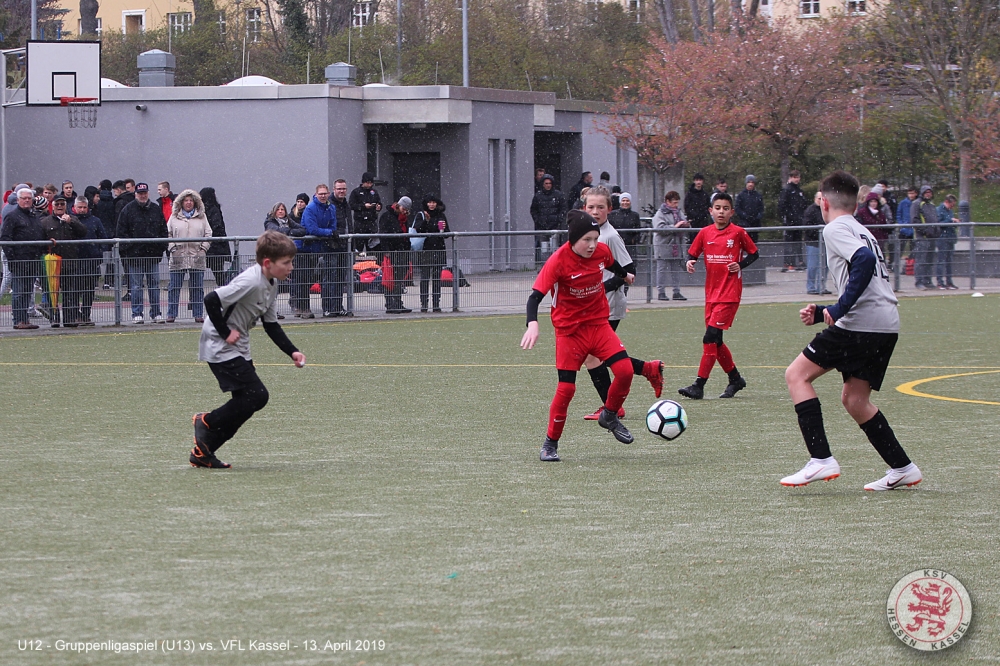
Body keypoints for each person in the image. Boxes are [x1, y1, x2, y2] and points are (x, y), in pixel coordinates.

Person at [781, 170, 922, 491]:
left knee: (796, 375)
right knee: (855, 400)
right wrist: (824, 311)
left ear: (823, 202)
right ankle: (903, 467)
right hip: (886, 323)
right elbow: (865, 278)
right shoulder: (861, 229)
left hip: (861, 324)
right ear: (856, 204)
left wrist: (838, 309)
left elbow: (864, 262)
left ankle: (821, 459)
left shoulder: (835, 228)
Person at [520, 210, 638, 462]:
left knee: (625, 371)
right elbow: (534, 298)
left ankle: (609, 414)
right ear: (573, 239)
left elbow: (612, 264)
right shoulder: (558, 261)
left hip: (598, 325)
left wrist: (624, 275)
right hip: (570, 332)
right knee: (566, 388)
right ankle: (550, 444)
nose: (593, 244)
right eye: (587, 239)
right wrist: (532, 323)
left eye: (595, 238)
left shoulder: (601, 251)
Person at [191, 230, 306, 469]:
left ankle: (203, 452)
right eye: (286, 263)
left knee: (247, 403)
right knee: (257, 395)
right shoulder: (250, 281)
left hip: (238, 345)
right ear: (268, 263)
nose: (291, 267)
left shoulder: (272, 283)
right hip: (219, 343)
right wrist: (225, 332)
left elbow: (271, 325)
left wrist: (292, 351)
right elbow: (211, 299)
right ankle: (206, 420)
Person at [581, 186, 664, 421]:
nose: (595, 211)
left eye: (600, 207)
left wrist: (600, 289)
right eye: (591, 207)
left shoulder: (610, 236)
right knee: (599, 355)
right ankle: (647, 370)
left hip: (609, 306)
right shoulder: (587, 234)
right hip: (593, 307)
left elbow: (628, 271)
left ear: (610, 209)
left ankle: (613, 407)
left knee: (593, 355)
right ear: (584, 208)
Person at [678, 192, 759, 400]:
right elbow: (692, 253)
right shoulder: (705, 233)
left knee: (709, 337)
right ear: (711, 211)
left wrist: (740, 264)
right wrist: (689, 261)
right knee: (717, 341)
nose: (721, 212)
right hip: (711, 294)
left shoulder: (738, 233)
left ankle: (699, 385)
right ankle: (735, 379)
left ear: (732, 212)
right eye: (717, 208)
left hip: (730, 294)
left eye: (725, 208)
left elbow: (754, 253)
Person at [117, 182, 168, 324]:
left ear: (148, 193)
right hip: (135, 257)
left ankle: (156, 313)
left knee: (154, 285)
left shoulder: (155, 209)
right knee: (136, 286)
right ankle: (137, 313)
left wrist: (159, 249)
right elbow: (121, 232)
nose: (143, 195)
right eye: (140, 193)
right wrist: (130, 250)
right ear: (136, 194)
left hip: (152, 256)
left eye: (144, 193)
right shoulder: (127, 210)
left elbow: (163, 231)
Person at [39, 195, 87, 327]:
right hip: (52, 263)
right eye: (57, 204)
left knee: (70, 292)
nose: (60, 206)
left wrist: (71, 222)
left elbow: (83, 232)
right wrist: (48, 243)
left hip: (70, 261)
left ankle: (69, 319)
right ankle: (54, 318)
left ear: (66, 206)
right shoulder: (45, 222)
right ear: (52, 205)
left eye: (62, 204)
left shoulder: (73, 219)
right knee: (52, 292)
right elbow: (39, 241)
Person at [166, 189, 212, 323]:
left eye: (191, 200)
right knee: (174, 287)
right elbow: (167, 234)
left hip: (197, 256)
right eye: (186, 200)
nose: (188, 203)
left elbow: (208, 234)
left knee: (197, 287)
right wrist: (173, 249)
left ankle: (198, 314)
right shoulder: (174, 217)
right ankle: (171, 314)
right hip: (178, 257)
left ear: (195, 202)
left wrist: (203, 249)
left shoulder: (202, 217)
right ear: (181, 202)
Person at [300, 183, 346, 318]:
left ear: (328, 194)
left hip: (326, 246)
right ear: (316, 194)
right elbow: (312, 229)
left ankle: (336, 307)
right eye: (320, 194)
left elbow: (333, 225)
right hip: (310, 248)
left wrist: (329, 233)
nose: (323, 196)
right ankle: (324, 308)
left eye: (325, 193)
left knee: (334, 277)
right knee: (317, 279)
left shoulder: (331, 207)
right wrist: (329, 233)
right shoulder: (310, 209)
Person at [1, 188, 44, 329]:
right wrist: (12, 258)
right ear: (18, 200)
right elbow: (5, 238)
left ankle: (25, 319)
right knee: (18, 292)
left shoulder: (34, 216)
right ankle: (18, 320)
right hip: (19, 259)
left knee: (27, 291)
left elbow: (39, 234)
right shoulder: (12, 216)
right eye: (24, 198)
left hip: (32, 259)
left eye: (29, 198)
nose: (27, 200)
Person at [264, 201, 306, 316]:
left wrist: (289, 231)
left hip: (285, 255)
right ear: (274, 211)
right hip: (273, 256)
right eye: (278, 209)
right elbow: (275, 230)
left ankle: (291, 306)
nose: (280, 211)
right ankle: (270, 310)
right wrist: (289, 231)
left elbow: (302, 230)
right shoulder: (269, 221)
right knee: (272, 284)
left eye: (282, 209)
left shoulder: (289, 221)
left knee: (287, 281)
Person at [72, 195, 109, 326]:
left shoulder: (95, 221)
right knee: (75, 290)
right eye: (80, 207)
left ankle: (86, 315)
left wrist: (98, 252)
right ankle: (75, 315)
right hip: (75, 261)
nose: (82, 210)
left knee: (89, 291)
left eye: (84, 207)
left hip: (91, 260)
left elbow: (104, 238)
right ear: (75, 207)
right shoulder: (70, 220)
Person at [413, 193, 450, 313]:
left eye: (434, 202)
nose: (432, 205)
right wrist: (426, 221)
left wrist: (443, 229)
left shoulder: (441, 215)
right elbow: (418, 230)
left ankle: (436, 304)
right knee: (424, 278)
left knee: (436, 279)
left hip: (438, 249)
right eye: (429, 202)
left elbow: (447, 234)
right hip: (425, 250)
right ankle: (424, 304)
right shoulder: (421, 215)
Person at [376, 196, 413, 314]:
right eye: (404, 208)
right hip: (391, 252)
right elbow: (382, 235)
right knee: (390, 278)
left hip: (402, 252)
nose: (405, 211)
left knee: (398, 279)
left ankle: (397, 302)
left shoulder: (403, 219)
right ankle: (390, 304)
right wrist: (386, 251)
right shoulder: (386, 216)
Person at [651, 191, 689, 301]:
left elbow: (683, 222)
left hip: (676, 246)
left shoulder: (679, 212)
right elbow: (659, 228)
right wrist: (675, 226)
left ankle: (676, 292)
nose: (676, 205)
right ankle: (661, 292)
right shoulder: (660, 214)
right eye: (674, 203)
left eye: (677, 203)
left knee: (676, 270)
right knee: (661, 270)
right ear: (667, 202)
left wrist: (686, 225)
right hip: (663, 245)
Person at [529, 174, 567, 265]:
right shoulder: (538, 196)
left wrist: (559, 219)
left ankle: (554, 266)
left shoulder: (558, 195)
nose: (548, 185)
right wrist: (538, 221)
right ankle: (545, 266)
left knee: (554, 248)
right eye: (546, 183)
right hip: (542, 227)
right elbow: (533, 210)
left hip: (555, 226)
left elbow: (563, 208)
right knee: (544, 249)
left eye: (550, 183)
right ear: (543, 184)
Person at [200, 187, 234, 288]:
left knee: (214, 273)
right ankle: (225, 292)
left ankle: (224, 291)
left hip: (213, 248)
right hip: (216, 248)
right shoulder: (214, 209)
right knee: (218, 273)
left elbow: (216, 227)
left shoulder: (209, 210)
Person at [329, 179, 353, 315]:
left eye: (343, 189)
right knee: (332, 277)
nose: (341, 191)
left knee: (340, 278)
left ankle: (338, 306)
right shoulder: (330, 204)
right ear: (334, 189)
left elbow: (349, 224)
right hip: (333, 245)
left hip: (344, 245)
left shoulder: (346, 204)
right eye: (339, 189)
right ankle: (331, 307)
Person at [287, 193, 313, 317]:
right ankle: (295, 302)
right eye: (298, 201)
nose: (299, 204)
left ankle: (299, 303)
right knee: (296, 277)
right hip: (296, 250)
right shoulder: (292, 216)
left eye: (302, 202)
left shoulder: (307, 214)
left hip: (305, 249)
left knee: (305, 278)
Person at [778, 170, 808, 272]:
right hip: (789, 222)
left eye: (798, 177)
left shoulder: (799, 191)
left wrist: (801, 217)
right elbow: (782, 206)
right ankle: (788, 263)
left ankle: (799, 262)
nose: (796, 179)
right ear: (790, 178)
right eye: (794, 177)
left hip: (798, 222)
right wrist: (790, 216)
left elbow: (803, 205)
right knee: (789, 242)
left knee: (798, 242)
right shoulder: (786, 190)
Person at [912, 185, 940, 290]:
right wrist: (925, 231)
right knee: (921, 260)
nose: (928, 194)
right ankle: (919, 282)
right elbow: (915, 220)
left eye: (930, 192)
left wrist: (937, 231)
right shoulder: (917, 204)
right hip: (922, 237)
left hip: (932, 237)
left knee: (929, 260)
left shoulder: (931, 205)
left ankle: (927, 281)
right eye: (926, 192)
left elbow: (935, 219)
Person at [803, 191, 831, 296]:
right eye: (819, 199)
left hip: (825, 242)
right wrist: (818, 233)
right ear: (815, 199)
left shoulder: (827, 210)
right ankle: (811, 287)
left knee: (825, 266)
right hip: (813, 242)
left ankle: (821, 286)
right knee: (813, 266)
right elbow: (807, 226)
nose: (821, 201)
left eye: (823, 199)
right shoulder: (810, 210)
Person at [348, 173, 382, 253]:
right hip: (359, 223)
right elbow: (351, 205)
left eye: (371, 183)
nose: (369, 185)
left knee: (372, 248)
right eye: (367, 183)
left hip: (371, 223)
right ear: (363, 182)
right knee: (358, 248)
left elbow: (379, 202)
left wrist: (378, 207)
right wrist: (363, 206)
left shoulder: (374, 192)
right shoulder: (356, 192)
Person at [935, 194, 959, 290]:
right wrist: (950, 220)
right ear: (947, 202)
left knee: (949, 261)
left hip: (950, 238)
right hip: (942, 238)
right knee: (941, 261)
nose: (952, 207)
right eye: (952, 204)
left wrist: (955, 223)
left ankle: (949, 282)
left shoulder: (950, 211)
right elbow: (938, 223)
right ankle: (940, 282)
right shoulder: (939, 210)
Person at [734, 175, 764, 243]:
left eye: (752, 182)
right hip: (744, 224)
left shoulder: (758, 195)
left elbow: (761, 208)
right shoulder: (741, 195)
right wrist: (745, 216)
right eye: (749, 182)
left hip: (755, 224)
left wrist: (757, 217)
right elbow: (737, 208)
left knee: (754, 243)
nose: (750, 184)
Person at [895, 186, 917, 263]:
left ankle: (910, 265)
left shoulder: (917, 203)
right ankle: (896, 265)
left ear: (916, 194)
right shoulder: (903, 203)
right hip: (904, 229)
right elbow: (898, 214)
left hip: (914, 230)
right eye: (909, 193)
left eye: (912, 193)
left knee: (913, 250)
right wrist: (902, 224)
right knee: (900, 249)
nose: (911, 195)